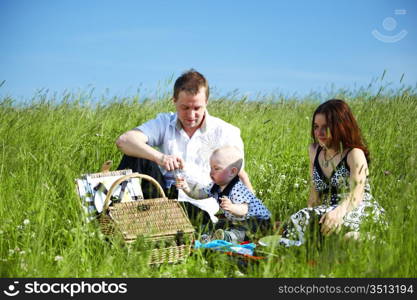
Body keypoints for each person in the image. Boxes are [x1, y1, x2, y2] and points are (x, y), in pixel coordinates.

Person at [115, 69, 253, 225]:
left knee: (194, 214)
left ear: (206, 102)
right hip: (162, 197)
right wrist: (161, 158)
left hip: (199, 206)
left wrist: (253, 213)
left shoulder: (226, 132)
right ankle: (113, 216)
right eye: (185, 108)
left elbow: (239, 175)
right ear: (174, 101)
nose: (191, 115)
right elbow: (124, 140)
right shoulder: (164, 122)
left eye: (197, 108)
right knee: (137, 154)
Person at [280, 99, 385, 247]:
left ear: (340, 126)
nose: (319, 133)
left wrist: (339, 212)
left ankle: (375, 242)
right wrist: (308, 217)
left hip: (356, 207)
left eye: (326, 127)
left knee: (331, 229)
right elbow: (314, 193)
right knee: (300, 220)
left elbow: (357, 194)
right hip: (328, 209)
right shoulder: (314, 151)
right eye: (316, 127)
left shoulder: (354, 154)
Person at [175, 146, 271, 243]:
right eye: (211, 168)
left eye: (216, 169)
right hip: (236, 220)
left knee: (243, 232)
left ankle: (227, 237)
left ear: (232, 172)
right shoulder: (216, 185)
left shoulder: (237, 188)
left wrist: (232, 207)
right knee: (219, 224)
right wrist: (186, 187)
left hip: (258, 221)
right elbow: (199, 194)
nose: (211, 172)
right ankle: (203, 232)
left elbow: (245, 208)